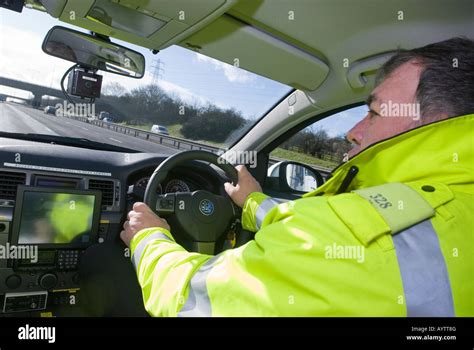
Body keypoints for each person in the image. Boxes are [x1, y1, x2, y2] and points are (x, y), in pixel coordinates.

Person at [120, 38, 474, 316]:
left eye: (374, 112)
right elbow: (312, 231)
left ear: (438, 118)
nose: (353, 131)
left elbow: (192, 299)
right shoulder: (452, 209)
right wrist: (253, 201)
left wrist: (149, 239)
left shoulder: (353, 237)